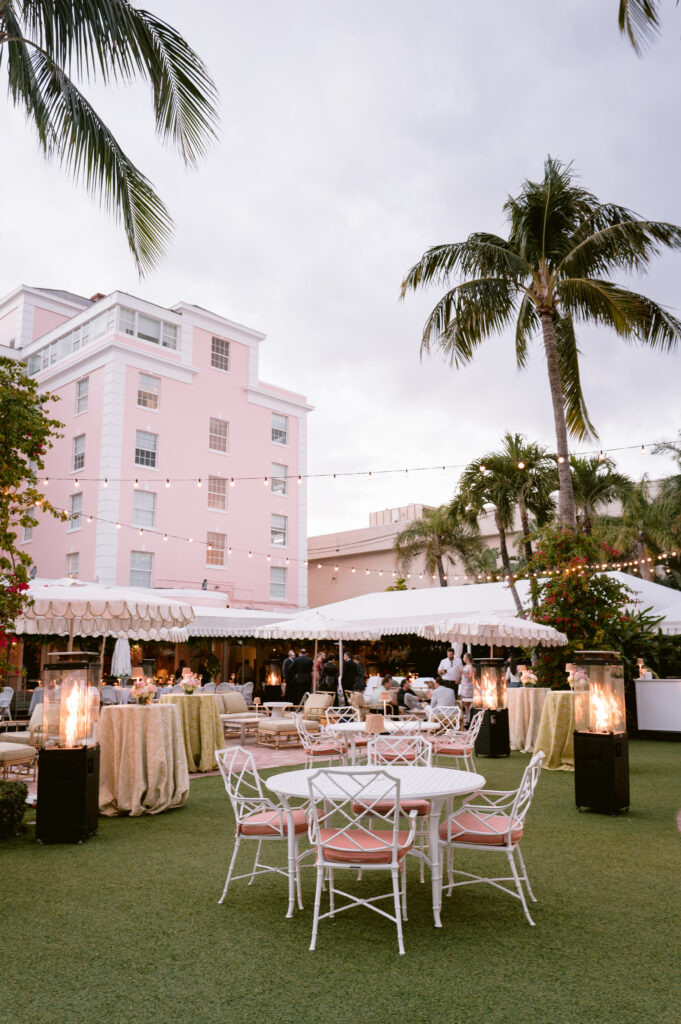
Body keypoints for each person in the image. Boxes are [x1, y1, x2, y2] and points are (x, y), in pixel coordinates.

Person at [460, 653, 476, 725]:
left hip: (468, 687)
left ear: (467, 658)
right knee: (466, 704)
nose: (463, 658)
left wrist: (462, 672)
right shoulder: (466, 666)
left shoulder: (470, 666)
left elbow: (471, 677)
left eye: (464, 657)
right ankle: (467, 718)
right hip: (464, 685)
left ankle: (469, 718)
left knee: (468, 703)